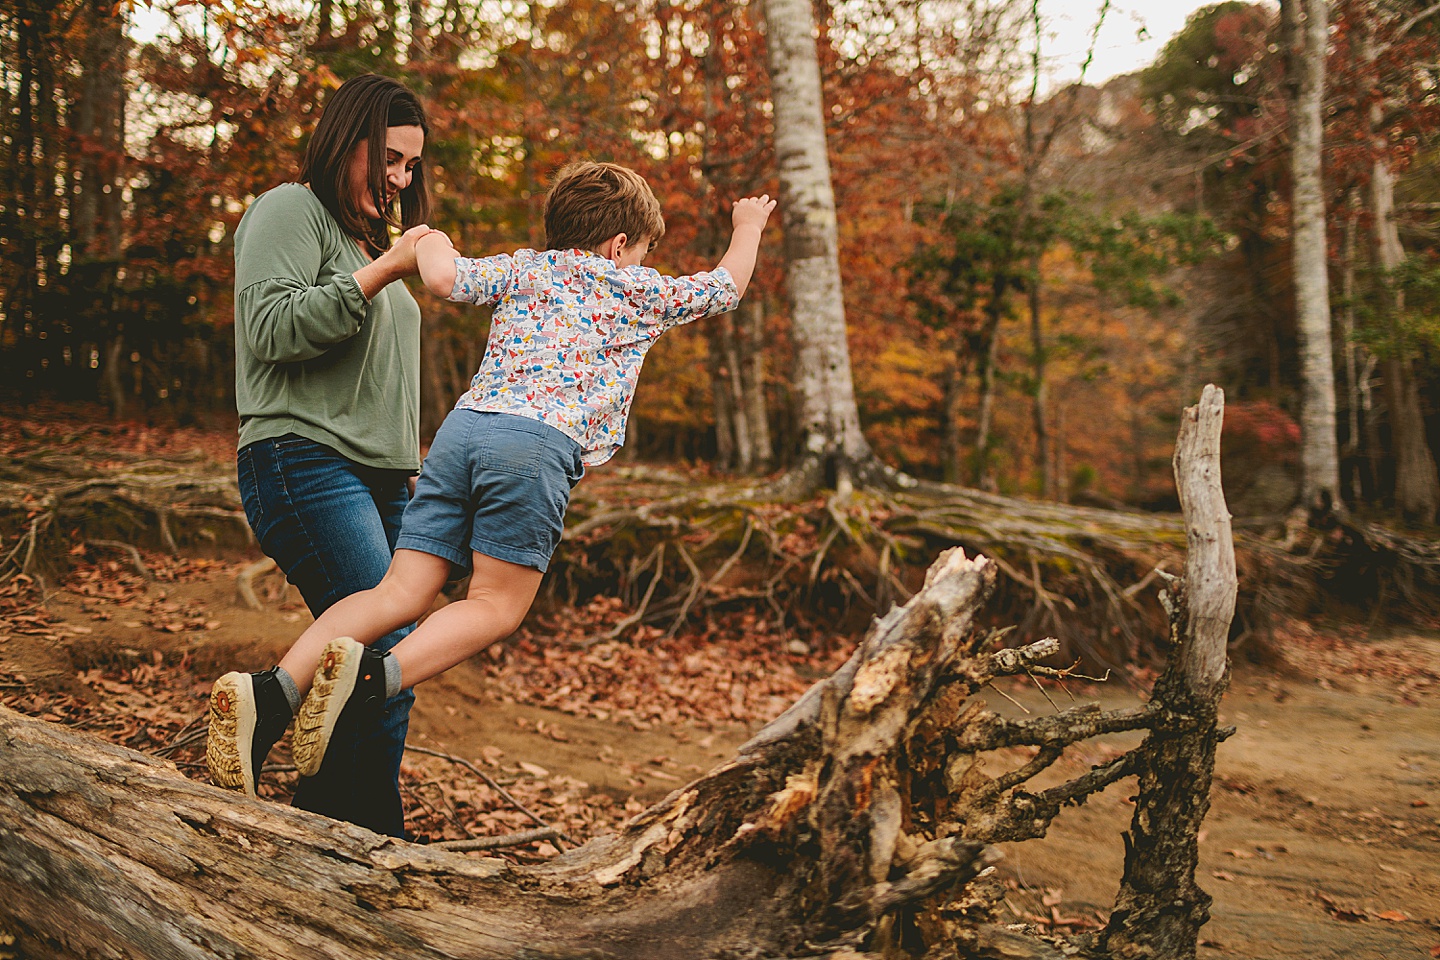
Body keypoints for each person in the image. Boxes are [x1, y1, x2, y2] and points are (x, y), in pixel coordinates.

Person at [207, 160, 775, 789]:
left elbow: (445, 279)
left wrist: (431, 240)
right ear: (620, 247)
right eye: (641, 253)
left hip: (462, 433)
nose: (640, 264)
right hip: (536, 445)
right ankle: (371, 679)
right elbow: (726, 285)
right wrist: (747, 224)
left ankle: (274, 692)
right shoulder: (630, 289)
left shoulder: (525, 267)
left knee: (397, 593)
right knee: (496, 606)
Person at [208, 73, 438, 837]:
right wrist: (381, 272)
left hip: (382, 480)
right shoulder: (289, 209)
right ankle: (369, 839)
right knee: (386, 646)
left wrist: (411, 472)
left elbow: (380, 378)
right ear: (350, 141)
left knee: (366, 662)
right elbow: (270, 329)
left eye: (412, 167)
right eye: (392, 159)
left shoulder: (368, 243)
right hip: (301, 458)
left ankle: (325, 830)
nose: (402, 179)